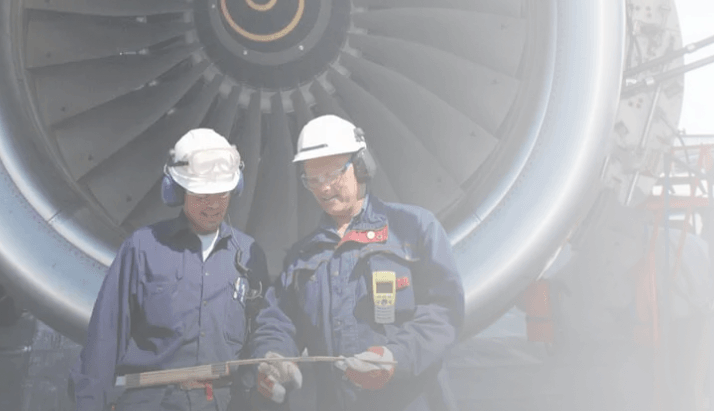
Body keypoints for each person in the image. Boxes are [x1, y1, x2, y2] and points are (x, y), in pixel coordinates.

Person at [249, 115, 465, 410]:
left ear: (362, 166)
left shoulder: (415, 229)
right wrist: (274, 357)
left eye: (333, 174)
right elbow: (278, 321)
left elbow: (444, 312)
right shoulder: (302, 257)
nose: (324, 189)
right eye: (313, 179)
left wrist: (395, 358)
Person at [69, 128, 270, 411]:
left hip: (224, 402)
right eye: (202, 195)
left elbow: (267, 329)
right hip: (151, 402)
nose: (213, 205)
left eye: (222, 194)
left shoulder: (249, 254)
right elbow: (105, 337)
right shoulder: (142, 248)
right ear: (177, 191)